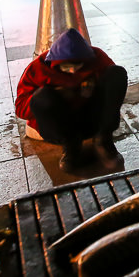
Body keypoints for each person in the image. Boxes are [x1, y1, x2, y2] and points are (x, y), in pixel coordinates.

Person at [15, 28, 127, 173]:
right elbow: (20, 108)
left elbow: (112, 90)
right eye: (67, 67)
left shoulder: (97, 57)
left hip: (92, 120)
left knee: (117, 73)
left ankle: (104, 141)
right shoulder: (38, 67)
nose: (73, 71)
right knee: (42, 95)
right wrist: (58, 94)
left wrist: (92, 90)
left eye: (78, 66)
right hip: (60, 126)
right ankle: (71, 148)